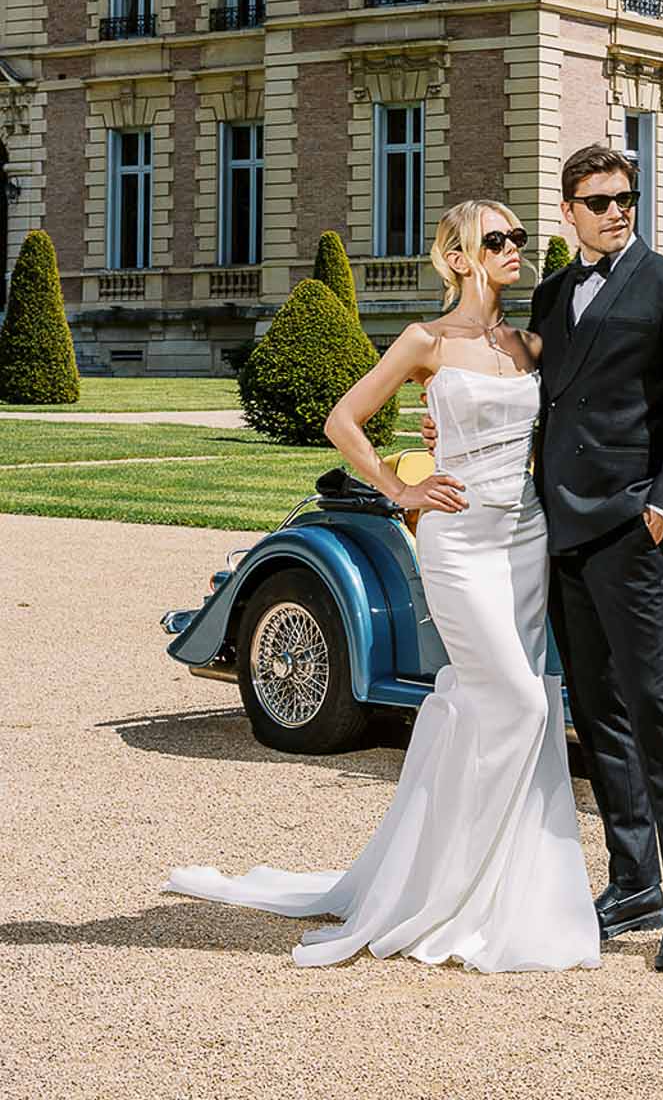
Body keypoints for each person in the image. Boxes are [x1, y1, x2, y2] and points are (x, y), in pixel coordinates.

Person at [163, 200, 600, 974]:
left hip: (525, 536)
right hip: (460, 541)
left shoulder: (532, 344)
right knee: (523, 702)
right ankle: (452, 889)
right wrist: (402, 492)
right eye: (495, 240)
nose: (513, 250)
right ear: (459, 257)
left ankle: (513, 892)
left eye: (518, 239)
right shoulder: (426, 340)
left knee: (505, 698)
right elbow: (345, 419)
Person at [422, 141, 663, 971]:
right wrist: (445, 436)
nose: (617, 212)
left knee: (654, 708)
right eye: (599, 201)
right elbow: (530, 401)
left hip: (631, 533)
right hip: (555, 536)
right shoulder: (554, 294)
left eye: (626, 198)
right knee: (596, 716)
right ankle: (633, 882)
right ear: (569, 212)